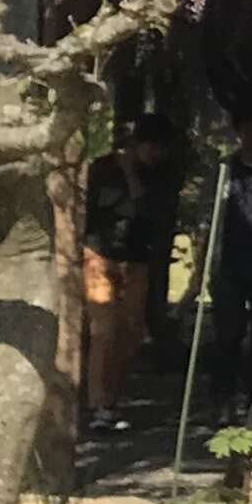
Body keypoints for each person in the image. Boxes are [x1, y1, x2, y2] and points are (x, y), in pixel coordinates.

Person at [80, 111, 181, 426]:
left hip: (137, 260)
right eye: (149, 147)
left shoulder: (164, 176)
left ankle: (113, 397)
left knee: (132, 331)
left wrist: (133, 179)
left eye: (160, 149)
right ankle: (97, 404)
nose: (154, 154)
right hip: (100, 254)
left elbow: (149, 210)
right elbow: (88, 211)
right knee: (103, 329)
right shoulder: (102, 169)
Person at [202, 124, 252, 423]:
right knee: (228, 333)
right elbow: (208, 218)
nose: (251, 136)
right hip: (228, 262)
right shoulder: (226, 170)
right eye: (247, 128)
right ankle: (222, 399)